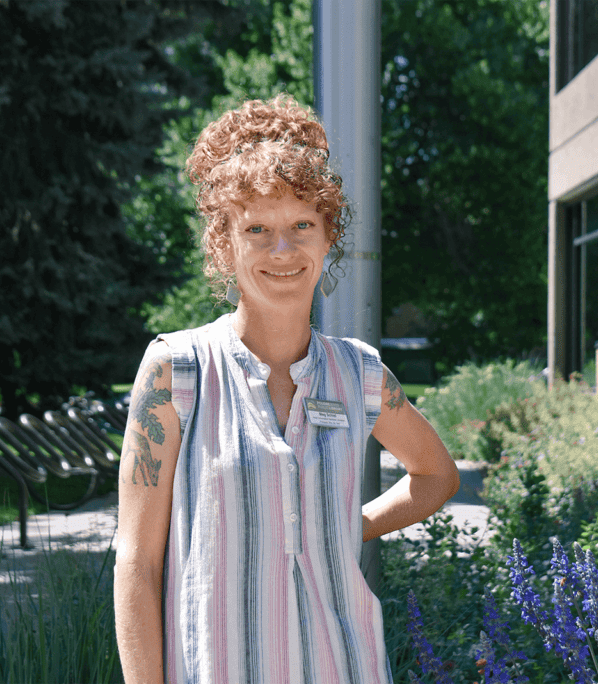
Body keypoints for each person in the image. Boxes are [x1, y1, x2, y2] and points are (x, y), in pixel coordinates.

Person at [114, 94, 460, 684]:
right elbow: (137, 563)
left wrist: (347, 524)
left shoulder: (361, 374)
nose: (284, 249)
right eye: (257, 229)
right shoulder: (177, 371)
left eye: (303, 225)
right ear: (225, 244)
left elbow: (437, 476)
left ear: (329, 239)